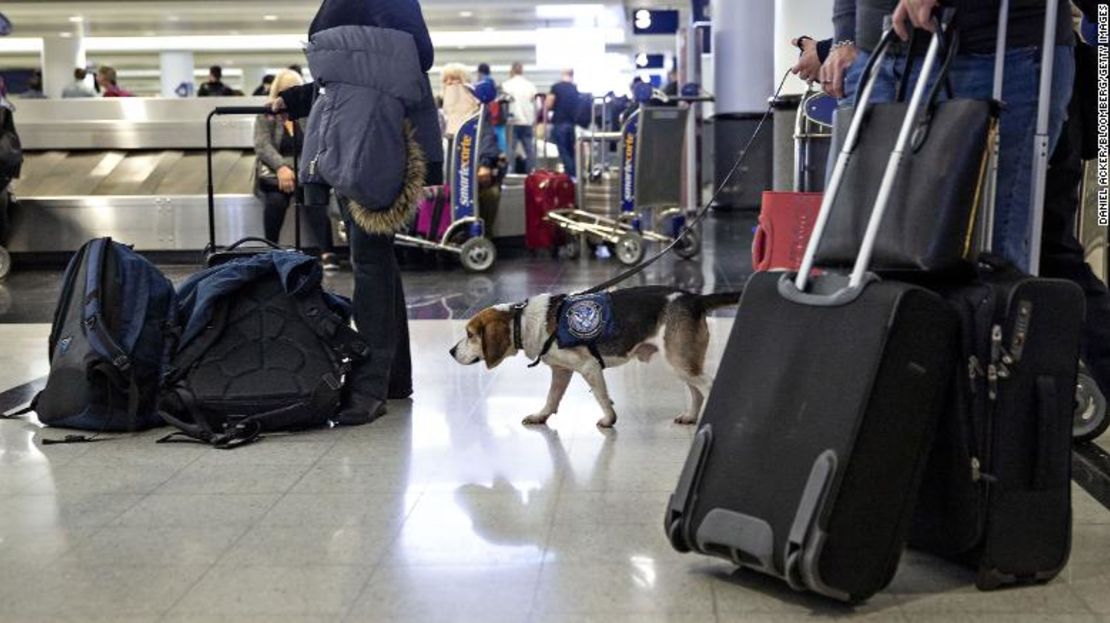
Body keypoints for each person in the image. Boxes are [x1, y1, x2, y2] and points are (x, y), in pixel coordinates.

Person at [270, 0, 444, 425]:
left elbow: (366, 76)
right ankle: (393, 378)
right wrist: (297, 98)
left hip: (369, 142)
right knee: (375, 260)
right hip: (372, 138)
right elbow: (358, 77)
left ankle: (368, 386)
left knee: (369, 262)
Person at [822, 0, 1076, 273]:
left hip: (992, 54)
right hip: (877, 56)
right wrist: (844, 34)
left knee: (981, 256)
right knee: (850, 251)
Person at [254, 69, 339, 271]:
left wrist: (295, 170)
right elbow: (262, 146)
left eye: (292, 90)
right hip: (276, 173)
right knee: (275, 201)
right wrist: (281, 167)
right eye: (283, 91)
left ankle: (327, 251)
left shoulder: (308, 112)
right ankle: (271, 249)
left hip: (305, 170)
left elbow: (315, 143)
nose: (287, 96)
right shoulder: (266, 114)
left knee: (315, 200)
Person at [502, 62, 537, 172]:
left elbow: (503, 105)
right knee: (529, 150)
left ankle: (510, 172)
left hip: (512, 122)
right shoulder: (531, 86)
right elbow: (537, 105)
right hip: (527, 122)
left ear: (511, 70)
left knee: (510, 149)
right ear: (522, 70)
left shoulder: (506, 85)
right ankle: (531, 172)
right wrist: (533, 119)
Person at [546, 68, 579, 180]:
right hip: (571, 124)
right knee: (571, 151)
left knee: (563, 151)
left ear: (562, 74)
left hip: (560, 123)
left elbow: (549, 104)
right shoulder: (574, 88)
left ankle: (571, 176)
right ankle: (574, 175)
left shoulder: (556, 87)